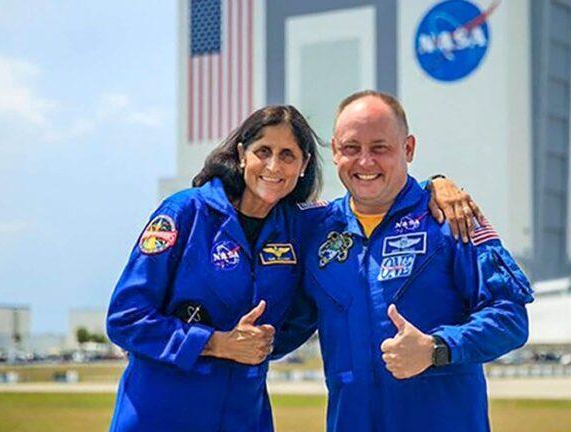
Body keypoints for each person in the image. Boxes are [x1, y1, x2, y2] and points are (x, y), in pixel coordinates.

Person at [107, 104, 479, 431]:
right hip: (161, 412)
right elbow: (125, 318)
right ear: (241, 155)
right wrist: (216, 344)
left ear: (303, 166)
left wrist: (437, 185)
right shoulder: (186, 213)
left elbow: (375, 197)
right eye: (263, 151)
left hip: (244, 416)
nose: (273, 166)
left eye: (287, 155)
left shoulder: (303, 225)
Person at [275, 91, 534, 432]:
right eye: (352, 148)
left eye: (380, 148)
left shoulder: (450, 218)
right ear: (335, 151)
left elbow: (511, 318)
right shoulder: (315, 231)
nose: (365, 162)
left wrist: (436, 348)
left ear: (408, 149)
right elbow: (288, 325)